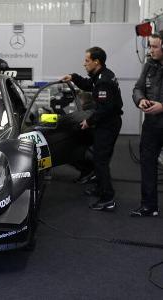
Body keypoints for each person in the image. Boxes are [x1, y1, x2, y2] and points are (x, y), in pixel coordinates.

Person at [62, 46, 123, 212]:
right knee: (100, 158)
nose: (84, 64)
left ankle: (107, 199)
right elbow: (89, 85)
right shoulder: (101, 75)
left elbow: (104, 109)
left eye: (87, 61)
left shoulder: (104, 80)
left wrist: (89, 122)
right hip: (107, 122)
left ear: (97, 62)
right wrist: (73, 77)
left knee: (101, 161)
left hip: (108, 124)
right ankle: (100, 188)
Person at [130, 31, 163, 217]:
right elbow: (137, 88)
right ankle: (149, 206)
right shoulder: (149, 65)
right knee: (148, 164)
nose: (150, 50)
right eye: (149, 46)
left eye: (154, 46)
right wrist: (140, 100)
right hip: (151, 126)